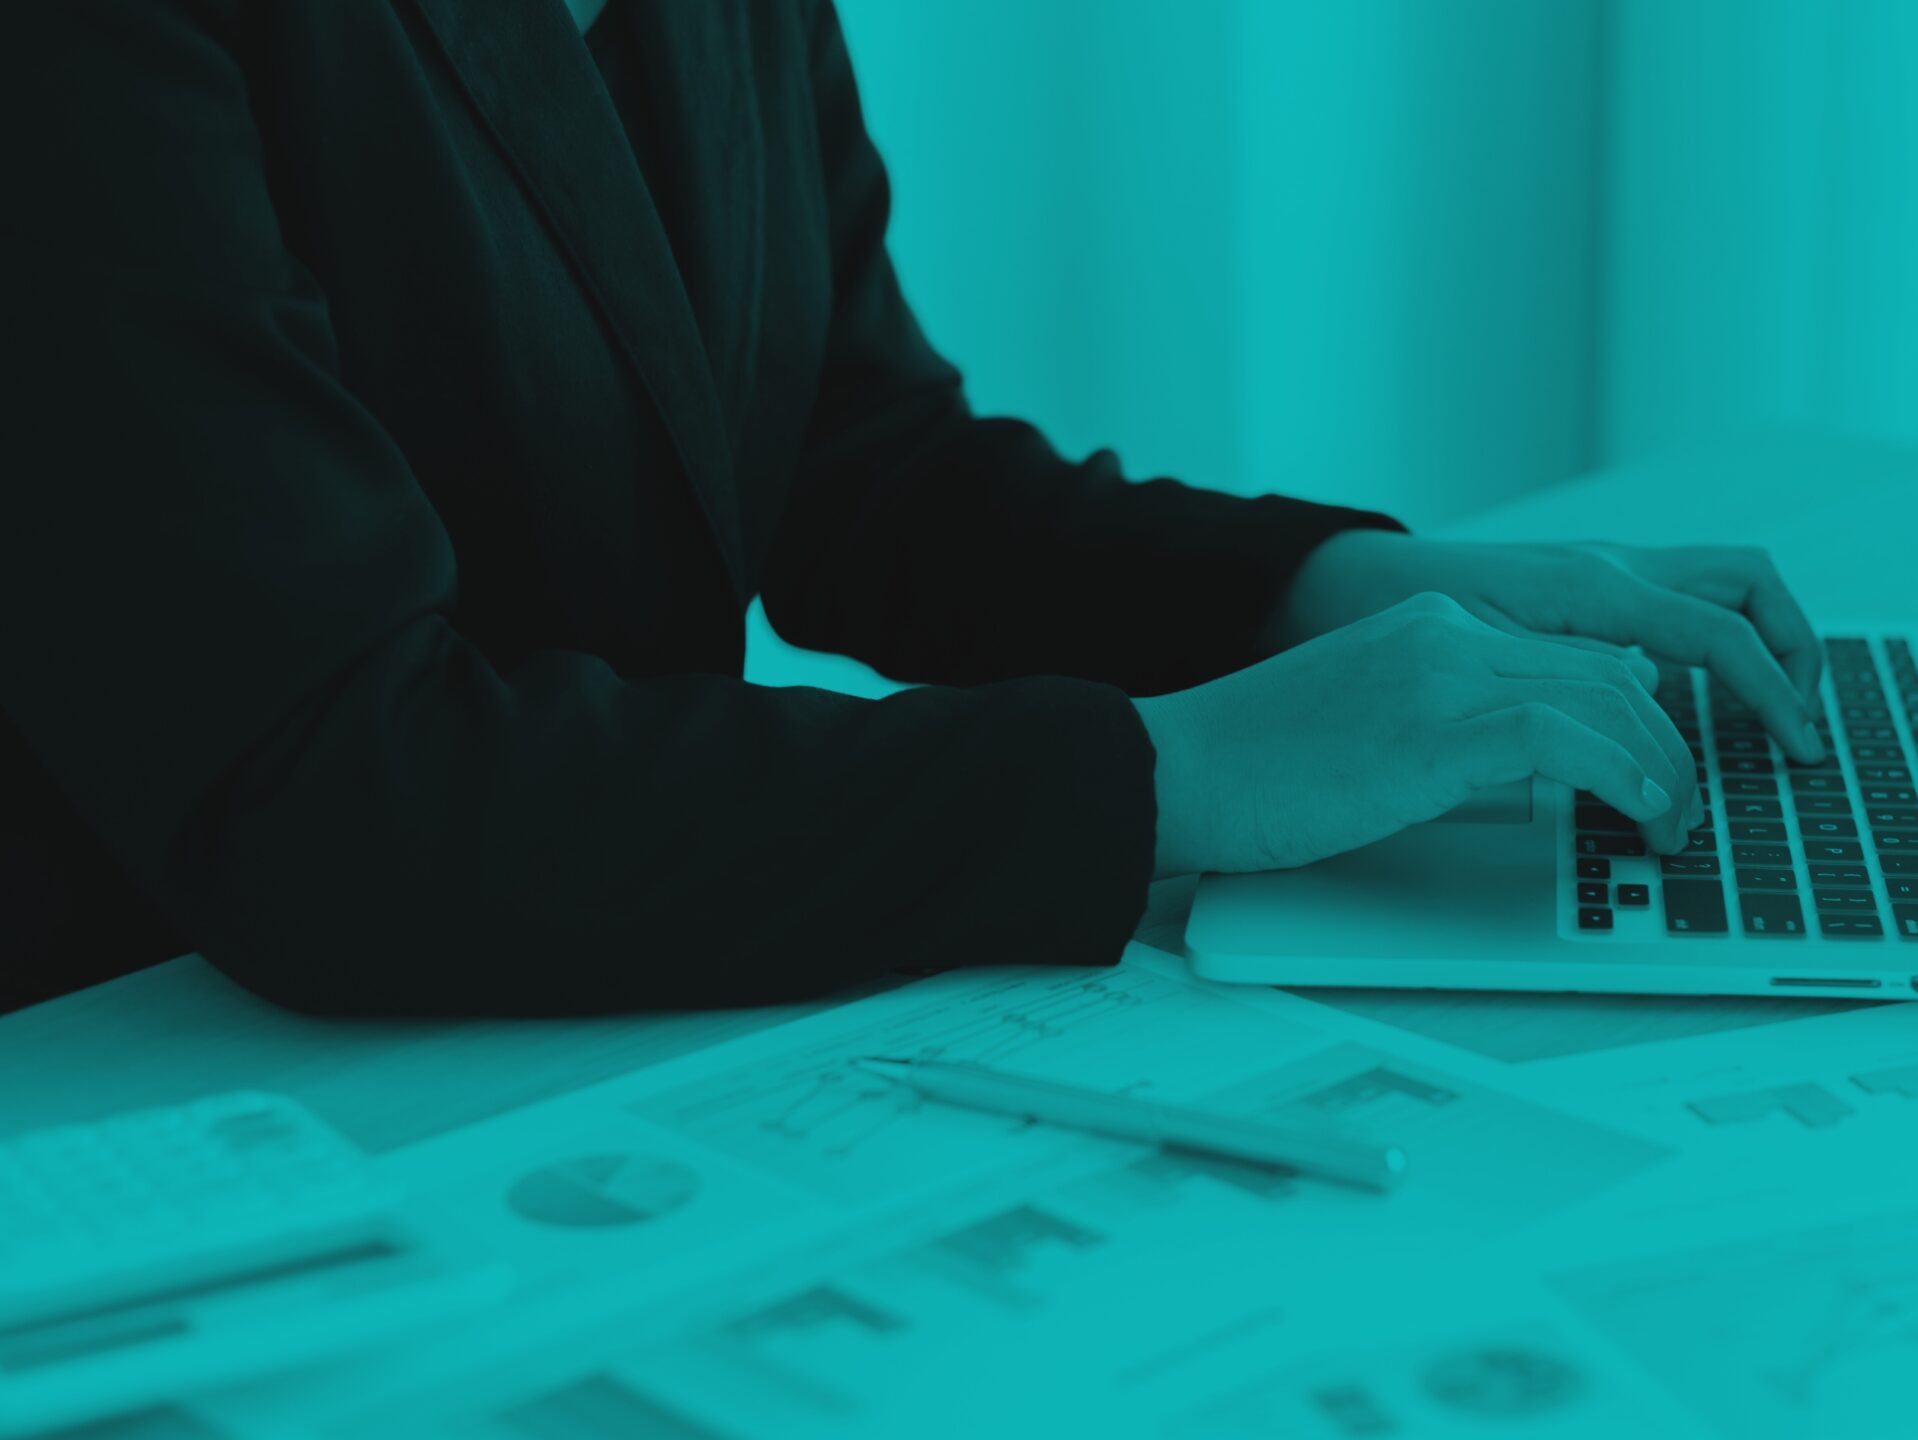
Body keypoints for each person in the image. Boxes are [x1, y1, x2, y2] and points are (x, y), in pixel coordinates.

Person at [0, 0, 1824, 1017]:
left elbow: (844, 459)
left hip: (587, 1008)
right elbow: (332, 793)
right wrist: (1174, 775)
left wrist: (1335, 591)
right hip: (161, 1101)